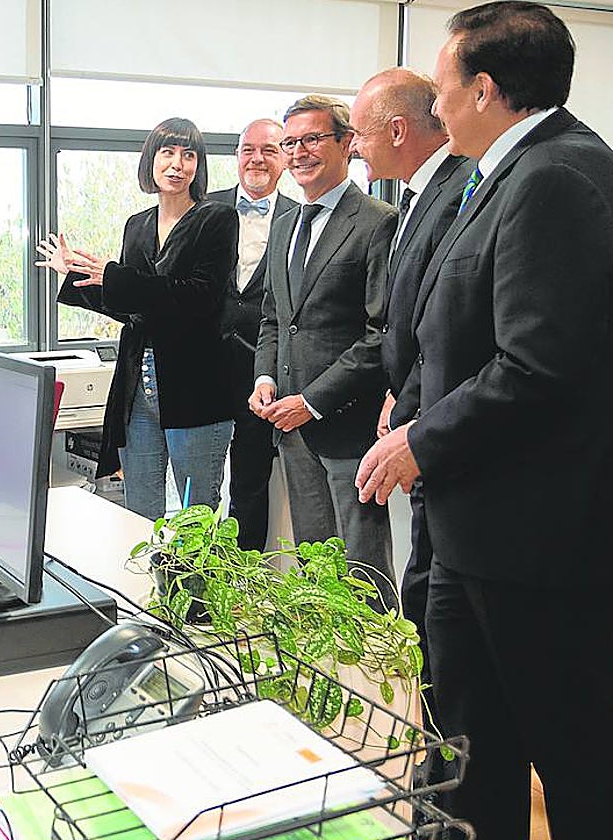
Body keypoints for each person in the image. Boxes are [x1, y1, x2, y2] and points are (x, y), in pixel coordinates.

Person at [355, 4, 613, 838]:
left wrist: (418, 440)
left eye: (444, 87)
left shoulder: (557, 175)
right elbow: (456, 330)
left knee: (573, 760)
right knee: (471, 750)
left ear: (485, 90)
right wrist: (412, 407)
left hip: (531, 541)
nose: (436, 106)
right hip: (474, 528)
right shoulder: (498, 173)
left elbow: (537, 365)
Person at [348, 65, 471, 792]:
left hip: (442, 436)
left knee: (435, 613)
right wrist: (398, 394)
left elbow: (450, 327)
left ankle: (447, 772)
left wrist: (412, 408)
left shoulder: (460, 193)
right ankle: (436, 764)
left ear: (396, 130)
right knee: (424, 606)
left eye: (358, 134)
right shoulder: (418, 196)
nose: (355, 147)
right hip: (416, 415)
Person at [38, 117, 238, 521]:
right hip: (137, 387)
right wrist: (77, 275)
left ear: (198, 165)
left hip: (196, 388)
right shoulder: (138, 225)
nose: (177, 164)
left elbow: (197, 297)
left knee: (195, 519)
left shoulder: (217, 218)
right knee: (140, 514)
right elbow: (131, 307)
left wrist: (114, 276)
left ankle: (192, 571)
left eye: (188, 155)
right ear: (151, 159)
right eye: (168, 153)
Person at [249, 95, 397, 605]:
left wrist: (311, 401)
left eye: (312, 139)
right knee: (316, 573)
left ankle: (382, 659)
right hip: (291, 429)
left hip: (348, 427)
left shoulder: (377, 221)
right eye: (290, 142)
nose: (299, 152)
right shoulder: (285, 223)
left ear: (346, 142)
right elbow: (274, 318)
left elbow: (380, 333)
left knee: (364, 576)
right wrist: (265, 378)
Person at [207, 119, 296, 552]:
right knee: (196, 487)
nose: (256, 159)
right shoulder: (204, 208)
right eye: (248, 150)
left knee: (250, 485)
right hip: (203, 368)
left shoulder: (301, 217)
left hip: (263, 375)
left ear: (285, 158)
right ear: (236, 156)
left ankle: (244, 579)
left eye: (269, 150)